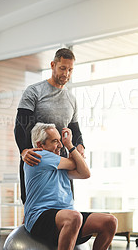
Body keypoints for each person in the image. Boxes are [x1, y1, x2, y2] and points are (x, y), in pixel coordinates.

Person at [24, 122, 118, 250]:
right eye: (54, 141)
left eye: (60, 141)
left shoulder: (60, 164)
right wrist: (71, 146)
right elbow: (78, 164)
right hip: (41, 218)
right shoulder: (39, 156)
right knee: (74, 216)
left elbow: (85, 173)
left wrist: (71, 148)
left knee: (109, 221)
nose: (59, 145)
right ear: (40, 145)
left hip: (66, 218)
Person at [14, 48, 85, 204]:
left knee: (65, 205)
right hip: (37, 159)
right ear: (53, 65)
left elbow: (75, 129)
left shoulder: (71, 99)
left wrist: (80, 146)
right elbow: (21, 125)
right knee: (35, 208)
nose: (66, 73)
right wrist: (24, 150)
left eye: (70, 70)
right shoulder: (34, 91)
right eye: (62, 68)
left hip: (62, 160)